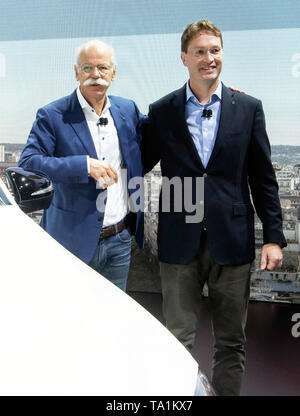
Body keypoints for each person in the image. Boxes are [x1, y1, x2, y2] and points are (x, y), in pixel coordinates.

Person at [141, 20, 286, 395]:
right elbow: (135, 162)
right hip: (178, 240)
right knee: (177, 341)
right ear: (184, 59)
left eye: (215, 51)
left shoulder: (248, 108)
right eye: (201, 52)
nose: (210, 59)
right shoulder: (162, 111)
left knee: (231, 343)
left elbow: (263, 177)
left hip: (233, 241)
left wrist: (274, 237)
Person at [18, 40, 144, 291]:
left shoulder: (126, 109)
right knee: (69, 319)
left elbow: (160, 127)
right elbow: (28, 163)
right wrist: (84, 166)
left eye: (102, 68)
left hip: (119, 240)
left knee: (113, 317)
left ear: (114, 72)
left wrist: (216, 95)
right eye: (87, 68)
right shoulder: (52, 115)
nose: (95, 75)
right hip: (70, 240)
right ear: (76, 72)